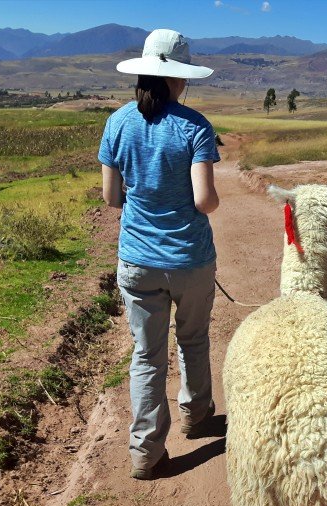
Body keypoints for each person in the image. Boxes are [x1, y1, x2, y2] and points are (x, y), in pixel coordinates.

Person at [98, 29, 221, 480]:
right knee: (193, 339)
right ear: (179, 78)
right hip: (189, 259)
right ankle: (195, 415)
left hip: (137, 259)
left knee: (146, 356)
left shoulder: (117, 123)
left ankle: (145, 452)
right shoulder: (195, 127)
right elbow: (205, 201)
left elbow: (112, 198)